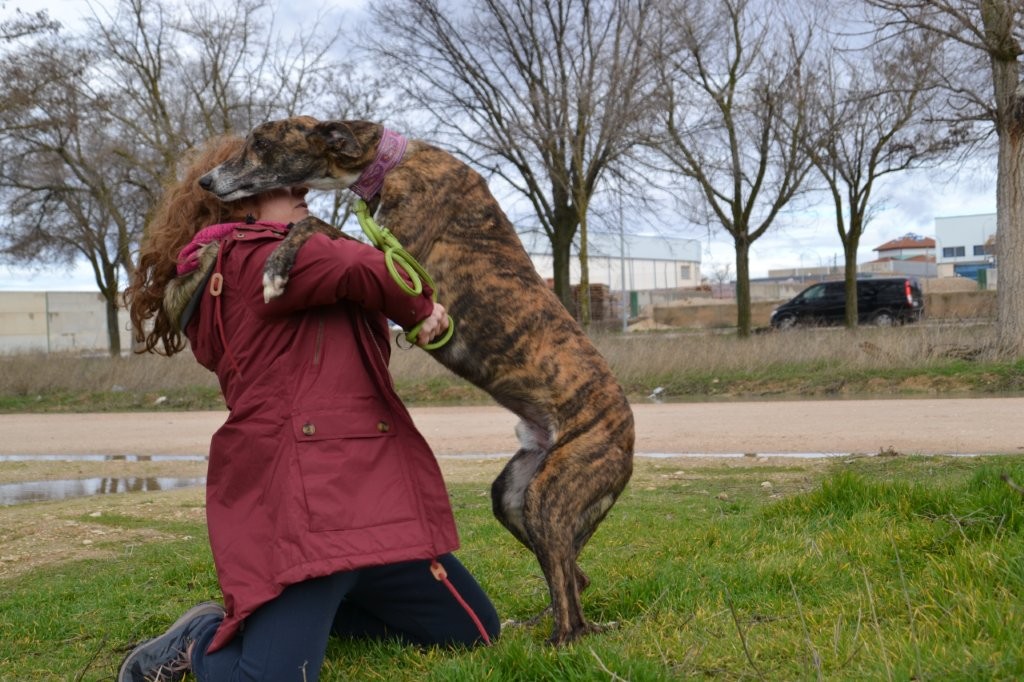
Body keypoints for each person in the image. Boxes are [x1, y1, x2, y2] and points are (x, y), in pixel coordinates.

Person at [121, 135, 499, 682]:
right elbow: (362, 267)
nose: (301, 188)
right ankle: (197, 642)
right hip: (307, 504)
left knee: (475, 632)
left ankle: (314, 621)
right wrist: (418, 311)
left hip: (369, 499)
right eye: (282, 181)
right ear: (237, 197)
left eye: (300, 178)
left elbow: (351, 268)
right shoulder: (253, 258)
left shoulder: (278, 257)